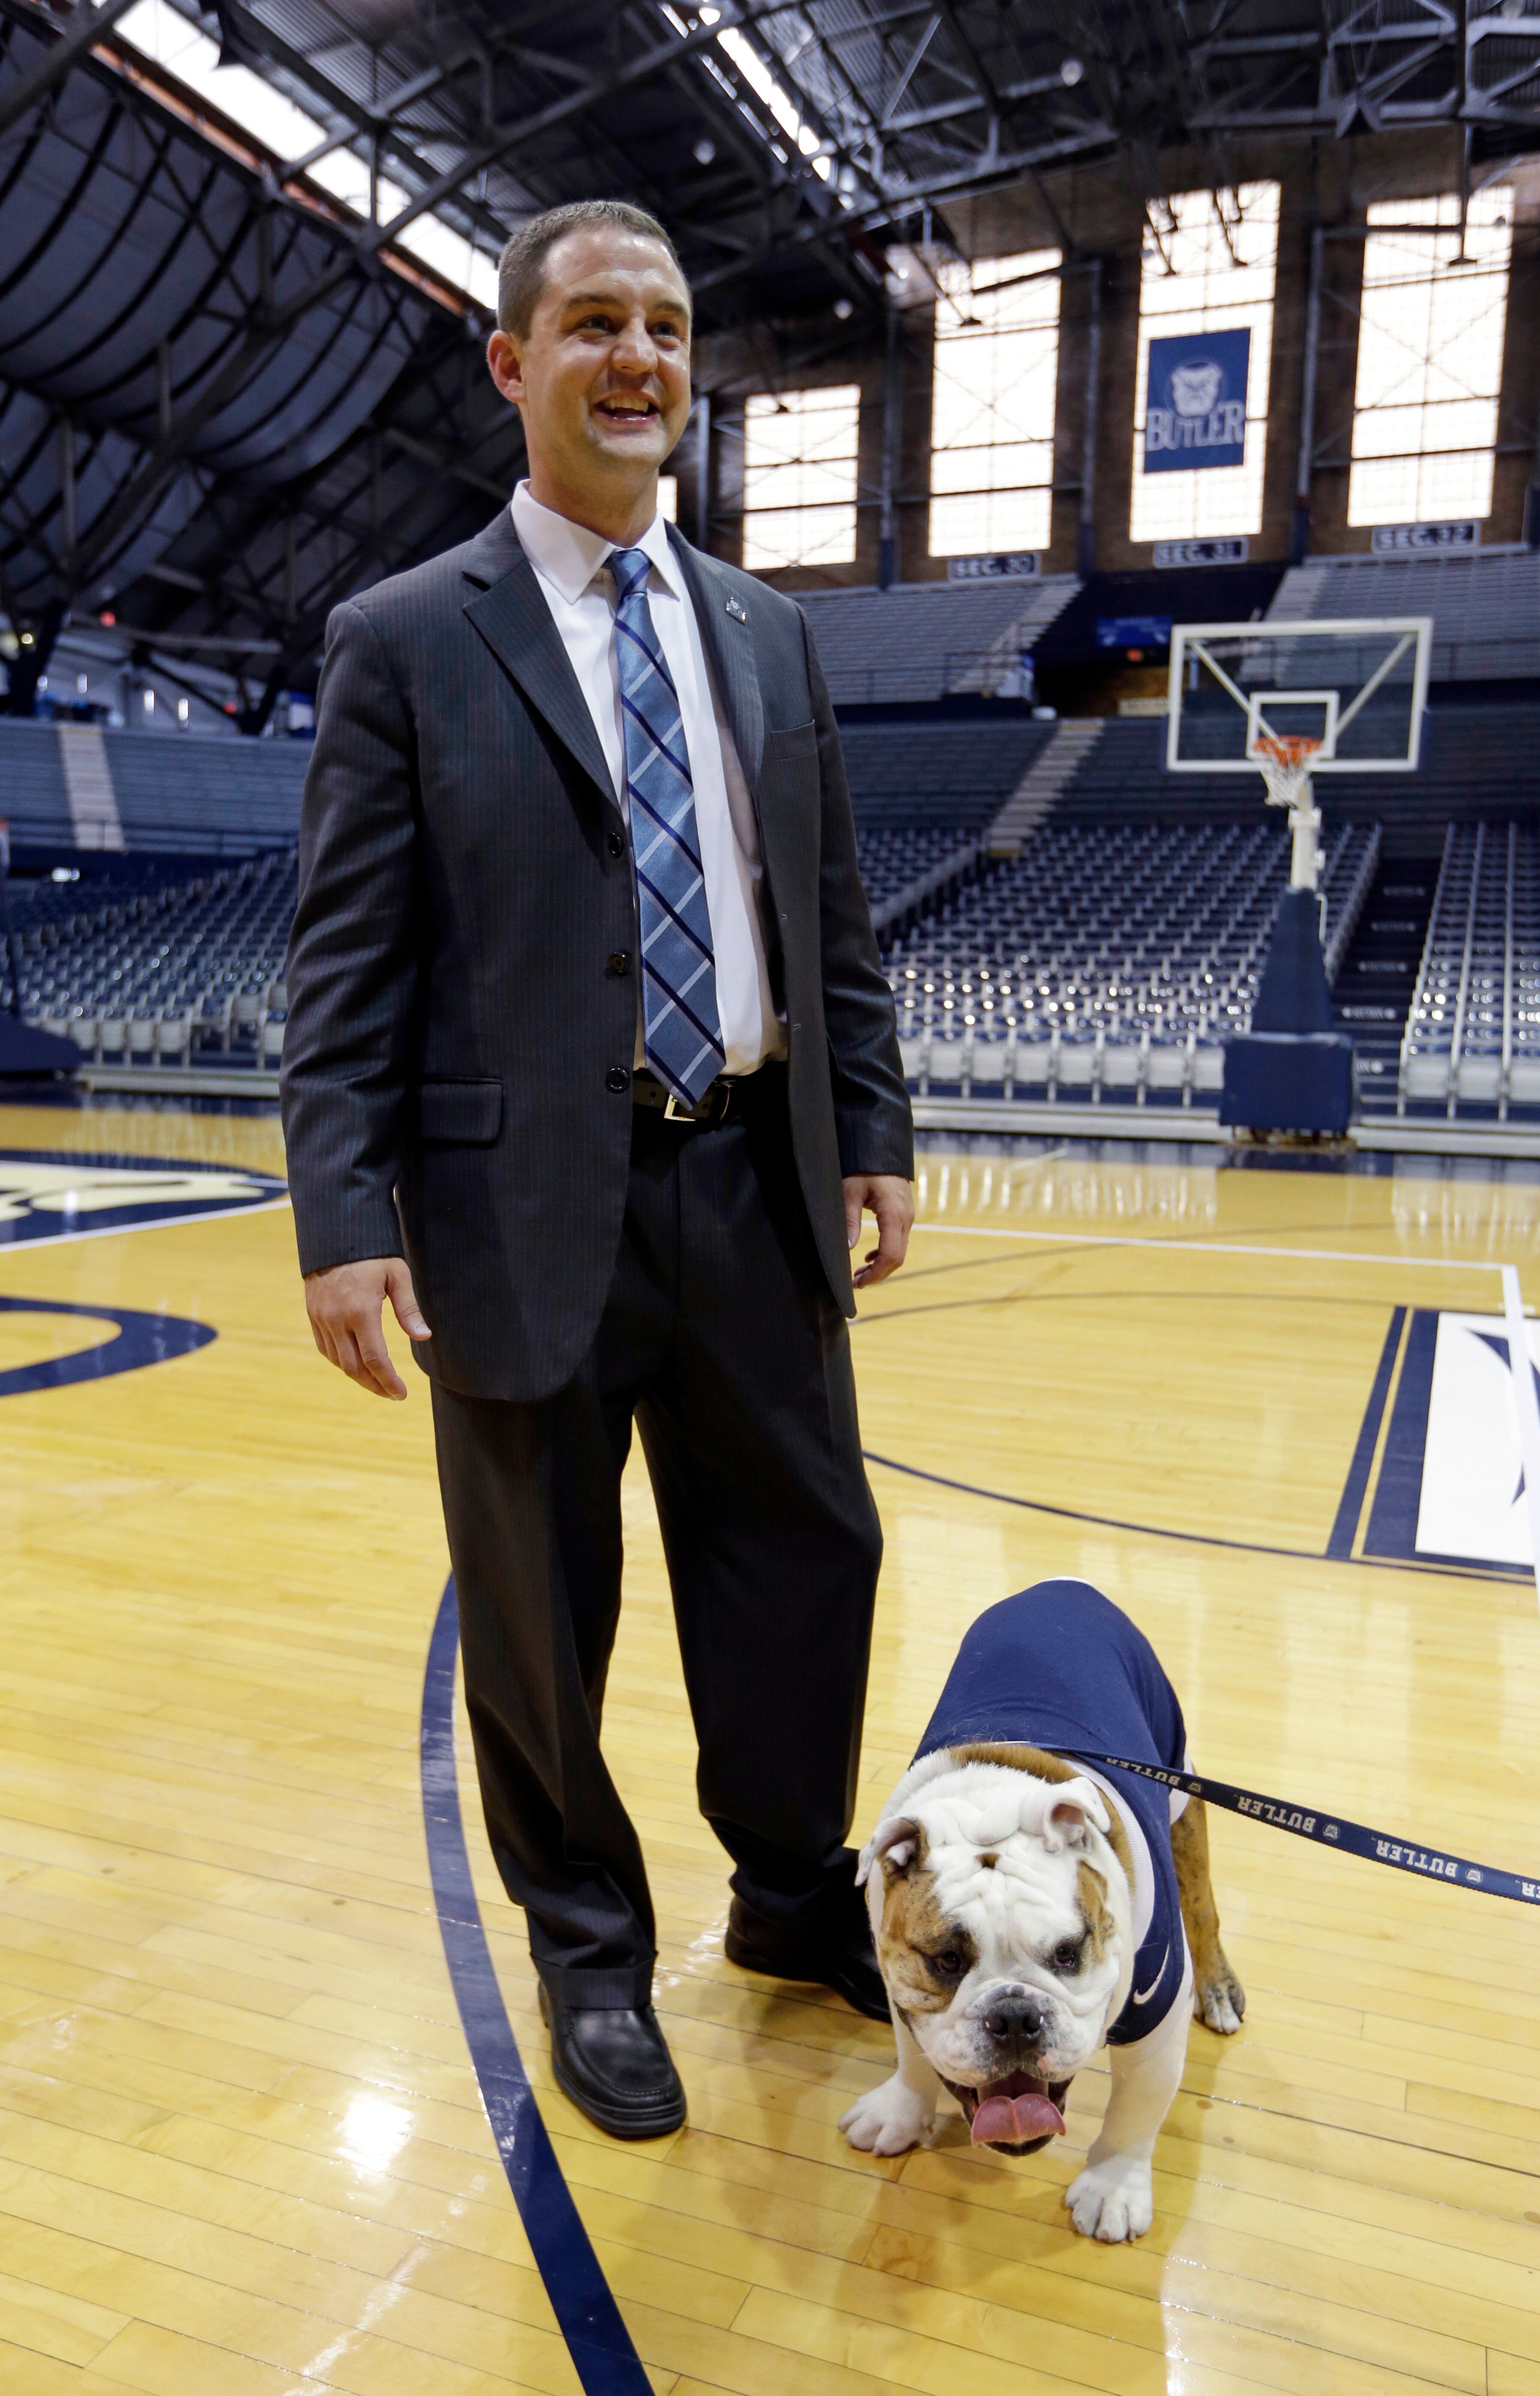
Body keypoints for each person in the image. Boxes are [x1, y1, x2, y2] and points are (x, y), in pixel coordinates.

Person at [280, 197, 915, 2140]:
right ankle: (585, 1944)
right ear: (514, 363)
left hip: (755, 1179)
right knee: (539, 1608)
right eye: (594, 325)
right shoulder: (406, 637)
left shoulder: (768, 629)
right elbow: (344, 962)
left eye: (665, 327)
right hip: (513, 1207)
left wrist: (873, 1128)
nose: (639, 357)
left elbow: (828, 915)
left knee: (809, 1555)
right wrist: (341, 1221)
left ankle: (790, 1889)